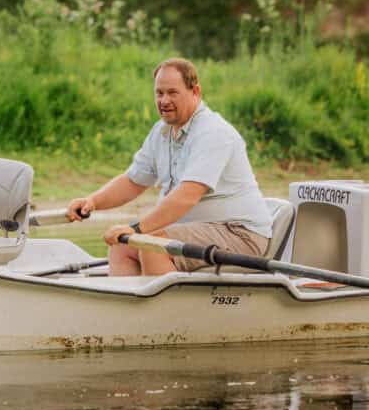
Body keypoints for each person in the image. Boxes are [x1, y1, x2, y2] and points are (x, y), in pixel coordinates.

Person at [66, 57, 272, 276]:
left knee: (152, 245)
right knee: (121, 246)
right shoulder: (161, 131)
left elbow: (187, 196)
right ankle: (130, 299)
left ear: (195, 92)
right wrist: (92, 202)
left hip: (240, 234)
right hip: (196, 231)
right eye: (159, 93)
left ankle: (163, 299)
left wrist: (136, 229)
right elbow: (133, 181)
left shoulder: (213, 132)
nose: (164, 100)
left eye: (172, 93)